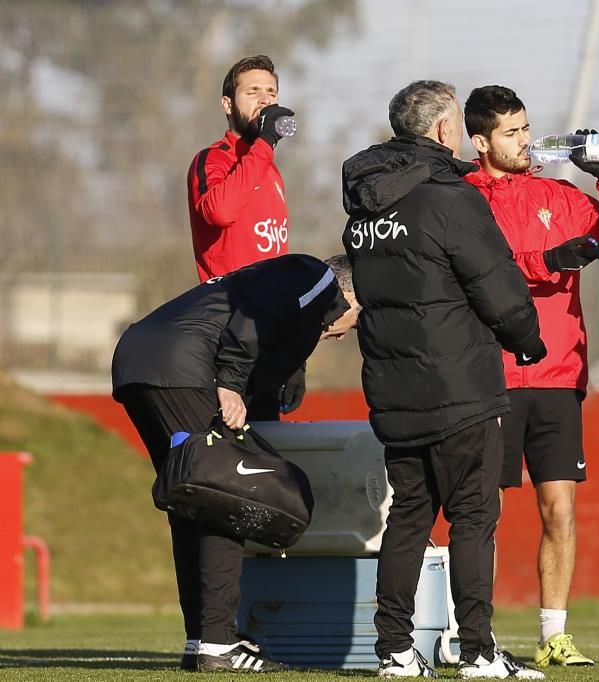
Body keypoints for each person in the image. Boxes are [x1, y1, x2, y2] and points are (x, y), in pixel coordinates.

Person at [342, 80, 547, 680]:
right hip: (460, 386)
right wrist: (528, 341)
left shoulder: (364, 203)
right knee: (474, 517)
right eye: (455, 121)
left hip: (393, 385)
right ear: (440, 130)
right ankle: (478, 651)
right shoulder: (449, 197)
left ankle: (394, 651)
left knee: (408, 517)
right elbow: (497, 283)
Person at [111, 254, 360, 673]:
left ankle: (202, 639)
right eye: (355, 322)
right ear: (350, 294)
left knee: (191, 498)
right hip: (184, 366)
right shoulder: (316, 277)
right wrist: (229, 382)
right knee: (224, 498)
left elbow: (263, 324)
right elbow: (257, 312)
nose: (341, 335)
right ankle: (217, 643)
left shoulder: (285, 284)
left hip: (140, 360)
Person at [462, 85, 599, 668]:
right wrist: (549, 262)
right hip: (493, 374)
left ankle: (553, 635)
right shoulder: (461, 198)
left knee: (559, 509)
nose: (525, 141)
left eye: (526, 128)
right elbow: (481, 271)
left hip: (560, 374)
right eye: (511, 133)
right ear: (479, 141)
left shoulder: (558, 193)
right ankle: (471, 636)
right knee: (478, 510)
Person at [186, 54, 303, 420]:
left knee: (269, 459)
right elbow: (219, 212)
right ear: (227, 104)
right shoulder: (213, 160)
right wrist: (265, 143)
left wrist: (294, 352)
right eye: (252, 92)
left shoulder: (271, 171)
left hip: (266, 336)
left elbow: (276, 261)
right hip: (226, 335)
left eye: (271, 92)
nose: (265, 100)